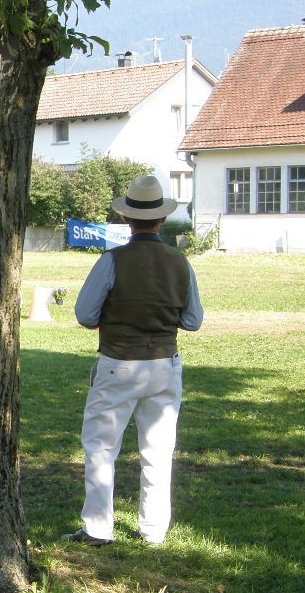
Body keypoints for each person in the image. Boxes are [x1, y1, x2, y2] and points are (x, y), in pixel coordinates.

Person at [63, 174, 204, 547]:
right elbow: (193, 320)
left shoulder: (113, 260)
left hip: (119, 362)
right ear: (162, 219)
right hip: (164, 364)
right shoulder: (179, 261)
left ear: (127, 218)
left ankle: (98, 528)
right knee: (158, 451)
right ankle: (153, 531)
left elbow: (85, 314)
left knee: (101, 447)